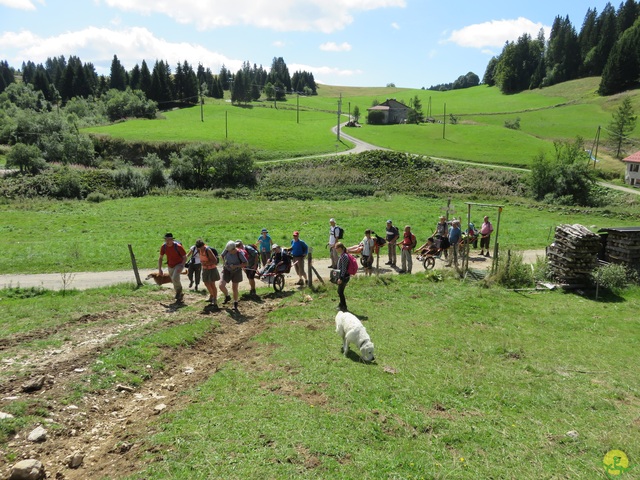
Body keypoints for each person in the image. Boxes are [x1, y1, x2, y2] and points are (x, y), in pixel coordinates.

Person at [158, 233, 187, 303]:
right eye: (166, 240)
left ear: (172, 240)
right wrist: (160, 269)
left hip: (179, 264)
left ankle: (178, 292)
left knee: (175, 277)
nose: (167, 241)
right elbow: (160, 258)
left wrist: (181, 265)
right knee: (173, 279)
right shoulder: (164, 247)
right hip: (170, 265)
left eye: (168, 240)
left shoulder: (178, 246)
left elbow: (185, 257)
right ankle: (179, 293)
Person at [219, 240, 247, 311]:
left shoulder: (239, 253)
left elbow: (246, 263)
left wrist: (236, 266)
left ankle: (235, 303)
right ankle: (227, 296)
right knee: (221, 285)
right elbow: (222, 256)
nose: (228, 252)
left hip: (236, 271)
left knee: (234, 288)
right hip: (227, 270)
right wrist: (224, 263)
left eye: (230, 251)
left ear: (234, 249)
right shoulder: (227, 249)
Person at [196, 239, 220, 307]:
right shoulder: (199, 250)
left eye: (201, 247)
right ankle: (211, 295)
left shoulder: (208, 250)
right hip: (205, 269)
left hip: (212, 269)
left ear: (203, 245)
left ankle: (214, 298)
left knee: (212, 284)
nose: (201, 249)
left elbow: (215, 260)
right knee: (206, 283)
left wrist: (207, 263)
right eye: (199, 248)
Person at [334, 242, 351, 312]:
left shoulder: (344, 256)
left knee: (340, 292)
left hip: (344, 277)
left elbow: (344, 268)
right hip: (343, 276)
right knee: (340, 291)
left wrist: (340, 278)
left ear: (340, 248)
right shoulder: (343, 255)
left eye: (336, 248)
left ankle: (344, 306)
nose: (336, 249)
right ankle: (341, 305)